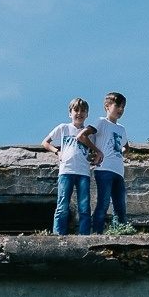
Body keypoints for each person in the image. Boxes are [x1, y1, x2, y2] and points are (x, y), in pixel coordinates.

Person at [43, 98, 102, 234]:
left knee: (84, 207)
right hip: (66, 171)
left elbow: (91, 152)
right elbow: (45, 142)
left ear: (87, 114)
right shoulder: (63, 128)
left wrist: (93, 157)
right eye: (76, 110)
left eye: (83, 111)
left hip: (83, 172)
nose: (79, 113)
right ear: (70, 113)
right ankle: (58, 235)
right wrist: (57, 151)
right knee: (62, 206)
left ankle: (84, 237)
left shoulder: (90, 134)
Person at [87, 92, 130, 231]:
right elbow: (82, 136)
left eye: (123, 107)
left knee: (120, 207)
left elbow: (126, 147)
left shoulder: (121, 128)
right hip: (104, 169)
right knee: (103, 204)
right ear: (107, 106)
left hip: (118, 171)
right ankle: (96, 234)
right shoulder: (101, 122)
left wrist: (117, 154)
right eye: (117, 105)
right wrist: (97, 152)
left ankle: (121, 233)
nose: (121, 109)